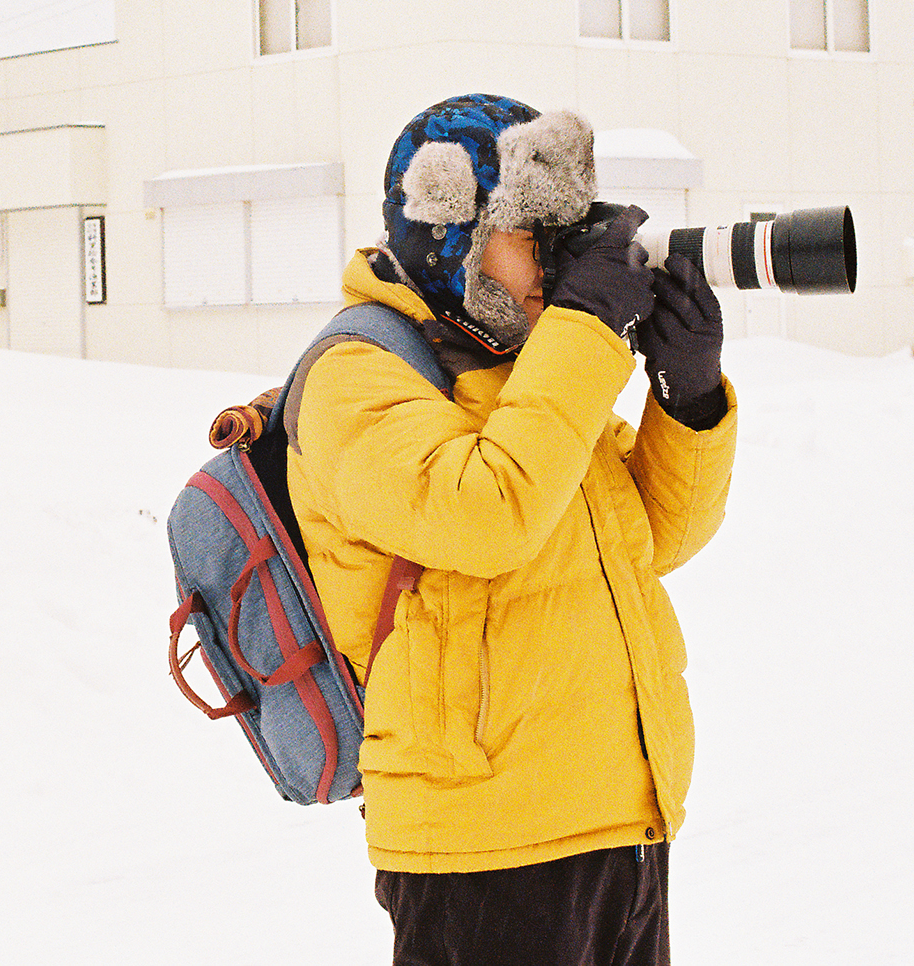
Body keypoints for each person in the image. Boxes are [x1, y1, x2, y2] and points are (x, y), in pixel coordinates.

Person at [285, 93, 736, 966]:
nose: (553, 266)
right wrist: (582, 333)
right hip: (484, 853)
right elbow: (487, 516)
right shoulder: (356, 376)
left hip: (617, 821)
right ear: (451, 231)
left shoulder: (529, 373)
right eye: (531, 233)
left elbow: (651, 538)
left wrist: (689, 397)